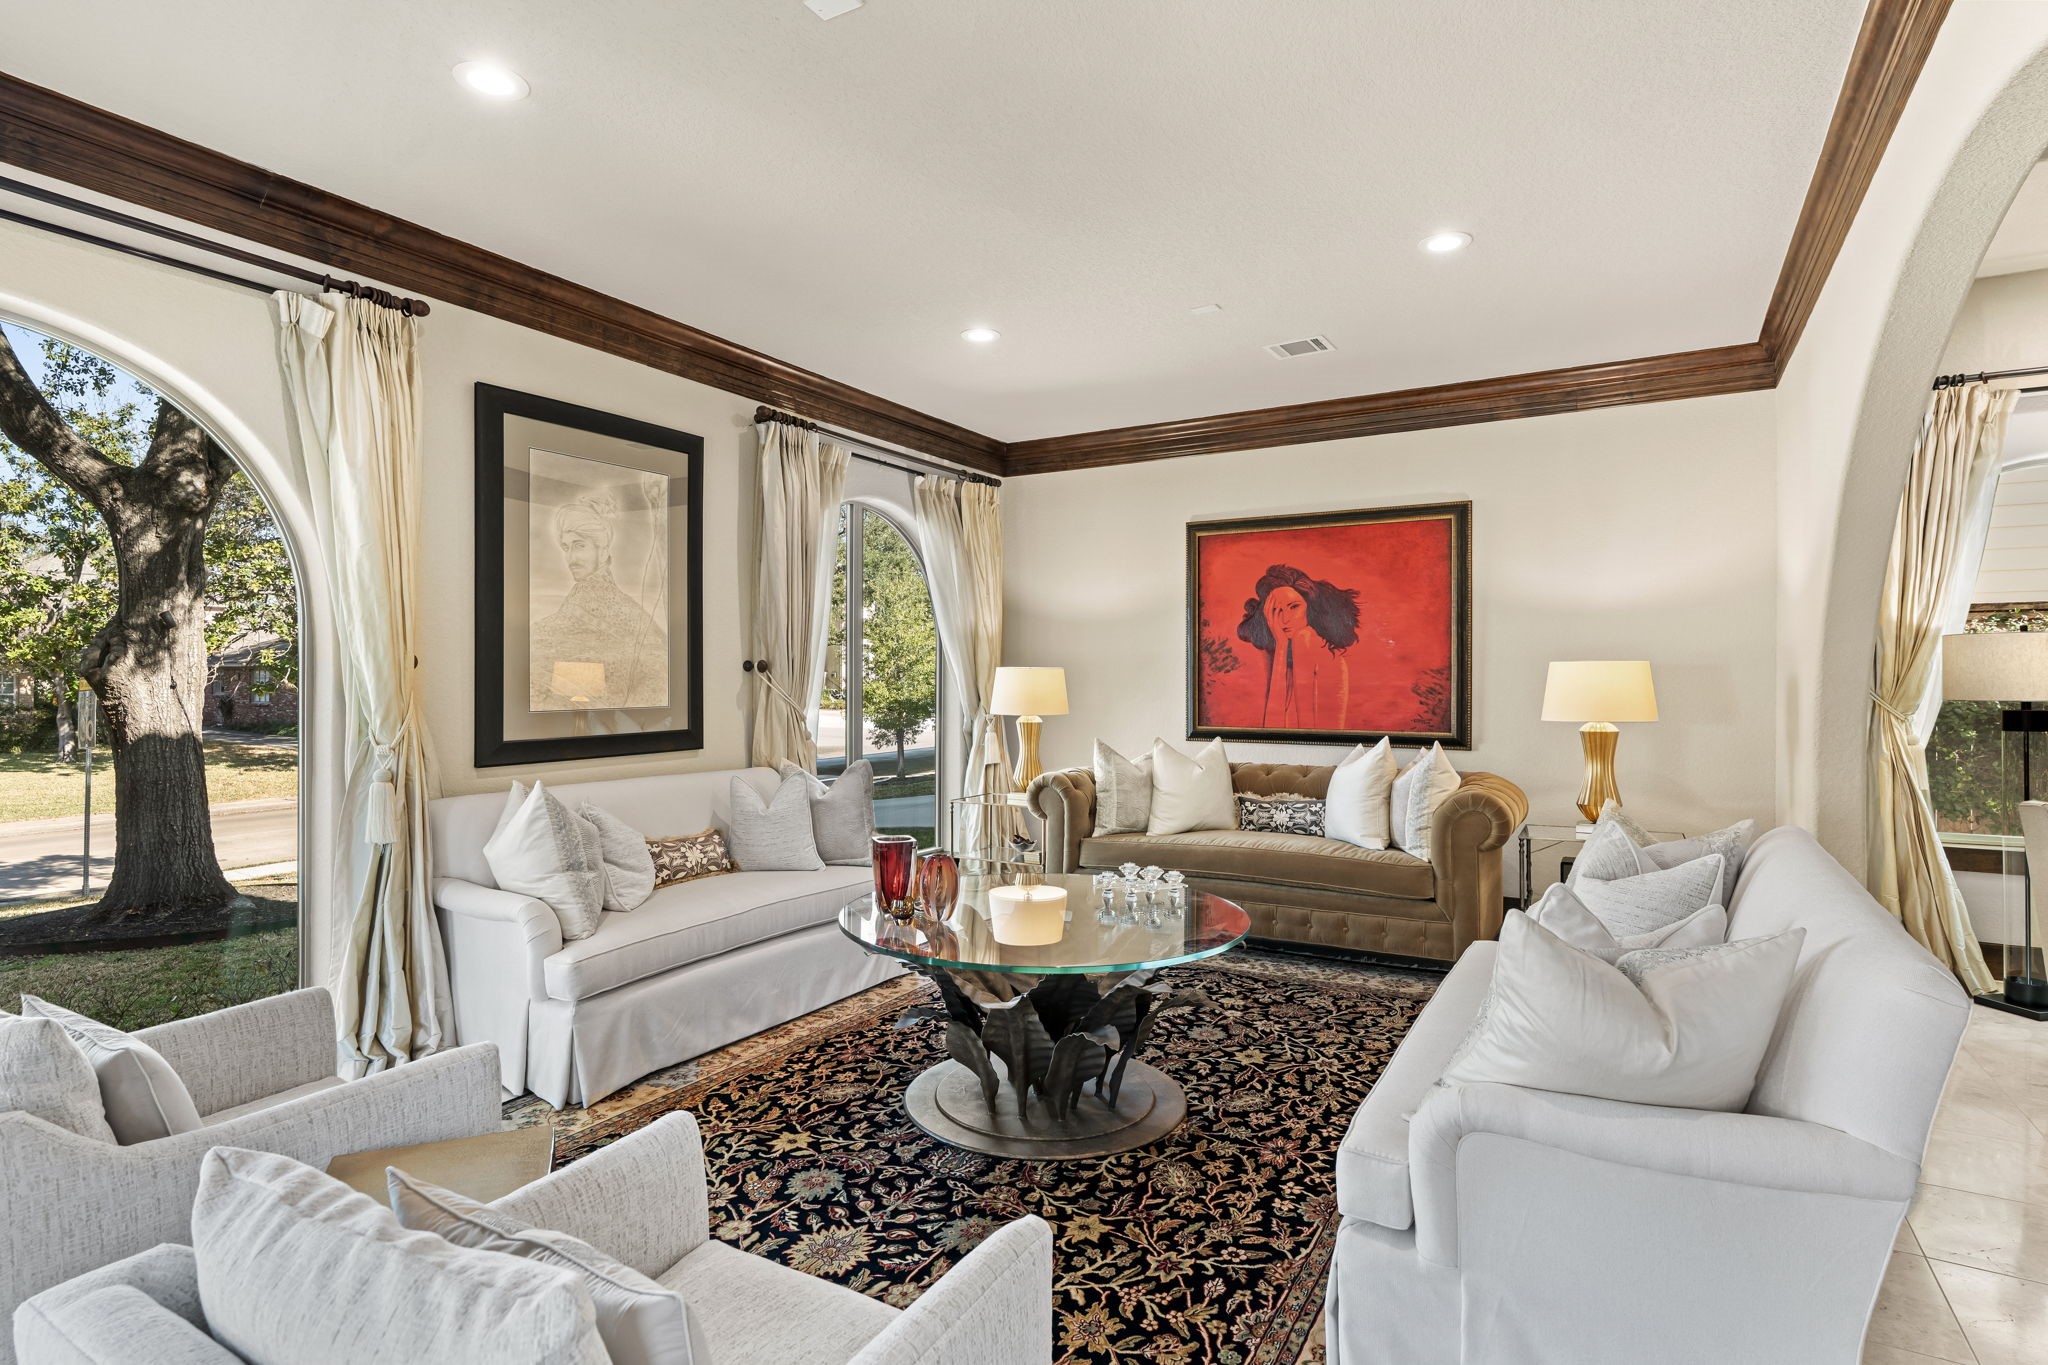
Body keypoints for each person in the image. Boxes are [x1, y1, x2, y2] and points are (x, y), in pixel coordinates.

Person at [530, 492, 668, 711]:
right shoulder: (584, 595)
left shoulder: (603, 601)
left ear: (603, 551)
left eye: (579, 546)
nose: (570, 558)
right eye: (566, 547)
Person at [1235, 564, 1359, 731]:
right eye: (1276, 610)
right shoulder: (1285, 650)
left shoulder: (1306, 638)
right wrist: (1280, 645)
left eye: (1294, 607)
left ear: (1309, 608)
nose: (1285, 619)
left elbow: (1305, 732)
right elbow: (1272, 731)